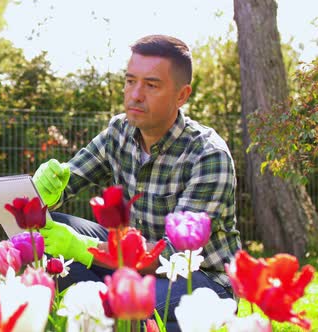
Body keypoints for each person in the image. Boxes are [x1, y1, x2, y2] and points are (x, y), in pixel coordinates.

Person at [34, 35, 241, 331]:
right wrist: (49, 189)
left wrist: (87, 250)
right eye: (130, 81)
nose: (135, 95)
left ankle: (109, 303)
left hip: (199, 279)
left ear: (181, 96)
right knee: (48, 229)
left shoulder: (208, 156)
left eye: (151, 85)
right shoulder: (119, 130)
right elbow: (70, 178)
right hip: (131, 263)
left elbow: (174, 255)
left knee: (120, 307)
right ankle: (102, 299)